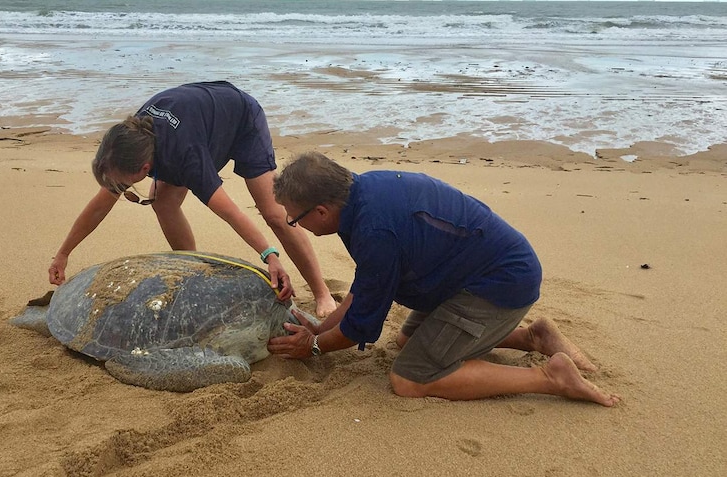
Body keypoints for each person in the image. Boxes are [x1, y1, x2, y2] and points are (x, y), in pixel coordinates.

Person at [267, 152, 620, 406]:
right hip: (466, 274)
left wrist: (313, 345)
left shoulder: (374, 230)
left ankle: (551, 378)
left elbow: (362, 324)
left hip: (499, 284)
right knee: (408, 341)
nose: (296, 225)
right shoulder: (362, 192)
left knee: (410, 377)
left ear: (322, 211)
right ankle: (532, 337)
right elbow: (366, 286)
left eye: (295, 220)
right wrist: (320, 326)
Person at [48, 81, 337, 316]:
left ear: (145, 169)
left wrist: (269, 257)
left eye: (123, 185)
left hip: (241, 118)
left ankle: (322, 292)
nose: (118, 190)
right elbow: (100, 206)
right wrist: (63, 253)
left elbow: (231, 213)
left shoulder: (187, 158)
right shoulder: (130, 137)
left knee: (275, 214)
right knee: (162, 201)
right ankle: (192, 270)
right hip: (200, 123)